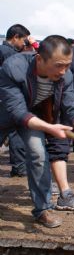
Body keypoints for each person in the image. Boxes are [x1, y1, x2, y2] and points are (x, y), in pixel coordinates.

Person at [0, 35, 74, 227]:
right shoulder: (14, 68)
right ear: (39, 59)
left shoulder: (65, 75)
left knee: (38, 154)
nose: (64, 71)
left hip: (34, 119)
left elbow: (72, 104)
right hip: (6, 113)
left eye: (67, 65)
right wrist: (50, 128)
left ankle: (42, 210)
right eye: (59, 65)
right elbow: (17, 112)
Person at [0, 24, 34, 178]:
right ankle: (19, 167)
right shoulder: (9, 54)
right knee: (15, 134)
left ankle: (19, 166)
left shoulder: (4, 51)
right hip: (7, 101)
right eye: (24, 41)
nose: (24, 45)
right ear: (15, 38)